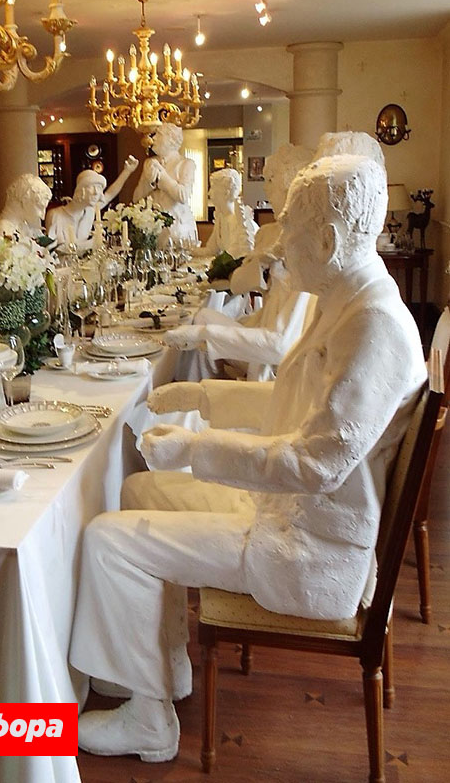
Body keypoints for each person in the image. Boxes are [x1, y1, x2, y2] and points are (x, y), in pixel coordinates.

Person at [69, 153, 427, 762]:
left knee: (108, 539)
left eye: (291, 228)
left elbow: (317, 466)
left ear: (328, 239)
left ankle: (149, 725)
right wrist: (201, 396)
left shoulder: (374, 326)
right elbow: (294, 404)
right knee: (137, 491)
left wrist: (195, 447)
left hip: (308, 550)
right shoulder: (348, 299)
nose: (279, 242)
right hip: (292, 513)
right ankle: (160, 671)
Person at [170, 143, 314, 382]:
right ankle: (201, 388)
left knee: (200, 331)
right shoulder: (271, 235)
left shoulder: (305, 250)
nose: (266, 189)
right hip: (260, 330)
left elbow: (281, 343)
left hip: (272, 361)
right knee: (202, 317)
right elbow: (244, 286)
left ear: (291, 185)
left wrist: (207, 334)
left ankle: (199, 393)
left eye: (271, 181)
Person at [46, 156, 139, 250]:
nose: (96, 193)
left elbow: (110, 194)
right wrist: (92, 243)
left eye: (99, 189)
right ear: (81, 190)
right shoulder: (55, 215)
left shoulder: (89, 211)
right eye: (92, 187)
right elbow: (54, 250)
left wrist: (127, 171)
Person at [133, 123, 198, 245]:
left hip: (179, 228)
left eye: (159, 135)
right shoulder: (149, 163)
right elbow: (136, 198)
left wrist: (162, 177)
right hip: (154, 230)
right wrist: (149, 182)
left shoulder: (186, 164)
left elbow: (183, 195)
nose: (154, 138)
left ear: (171, 140)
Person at [197, 168, 257, 259]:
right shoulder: (221, 218)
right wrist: (188, 250)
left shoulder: (239, 221)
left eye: (213, 188)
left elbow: (234, 257)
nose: (209, 193)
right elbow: (211, 250)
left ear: (226, 193)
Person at [0, 173, 52, 239]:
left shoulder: (21, 226)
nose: (42, 216)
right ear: (25, 201)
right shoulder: (3, 230)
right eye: (40, 207)